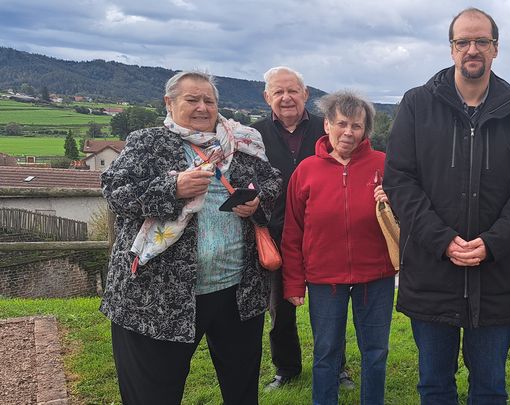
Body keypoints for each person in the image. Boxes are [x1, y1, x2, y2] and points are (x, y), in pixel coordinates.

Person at [383, 8, 510, 404]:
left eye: (481, 42)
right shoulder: (417, 104)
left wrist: (493, 241)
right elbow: (400, 179)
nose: (472, 49)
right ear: (452, 49)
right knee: (435, 385)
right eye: (463, 42)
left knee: (490, 387)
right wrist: (443, 240)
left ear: (495, 49)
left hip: (494, 275)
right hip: (432, 271)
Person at [100, 71, 281, 404]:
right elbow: (115, 194)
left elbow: (271, 183)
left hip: (236, 292)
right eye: (192, 99)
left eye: (209, 100)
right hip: (159, 296)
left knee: (241, 389)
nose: (202, 107)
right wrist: (173, 188)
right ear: (169, 103)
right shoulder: (148, 142)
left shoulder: (239, 142)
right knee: (154, 392)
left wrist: (256, 201)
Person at [282, 90, 396, 405]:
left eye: (357, 126)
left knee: (375, 351)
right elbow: (293, 231)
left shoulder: (384, 165)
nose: (349, 132)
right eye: (342, 124)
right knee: (326, 351)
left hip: (376, 276)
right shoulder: (306, 170)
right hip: (323, 280)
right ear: (328, 125)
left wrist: (392, 203)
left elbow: (405, 220)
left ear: (366, 131)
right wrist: (294, 281)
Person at [250, 66, 354, 391]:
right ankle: (287, 368)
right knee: (280, 309)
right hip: (277, 236)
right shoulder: (253, 135)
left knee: (331, 308)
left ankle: (337, 367)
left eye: (292, 91)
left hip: (327, 236)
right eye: (278, 92)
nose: (286, 98)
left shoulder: (326, 129)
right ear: (267, 98)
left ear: (306, 94)